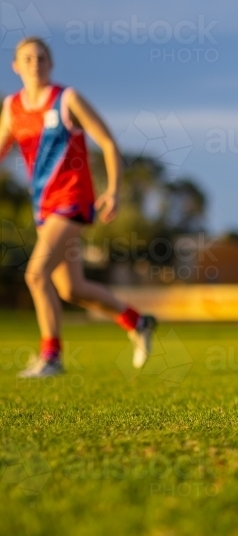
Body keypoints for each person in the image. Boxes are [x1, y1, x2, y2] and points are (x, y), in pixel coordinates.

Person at [0, 37, 156, 378]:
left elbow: (108, 142)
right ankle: (138, 321)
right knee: (72, 289)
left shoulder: (66, 99)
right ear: (15, 66)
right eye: (27, 58)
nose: (35, 63)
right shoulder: (12, 108)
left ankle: (51, 357)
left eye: (41, 57)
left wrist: (114, 190)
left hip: (72, 200)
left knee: (36, 275)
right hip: (42, 205)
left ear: (51, 64)